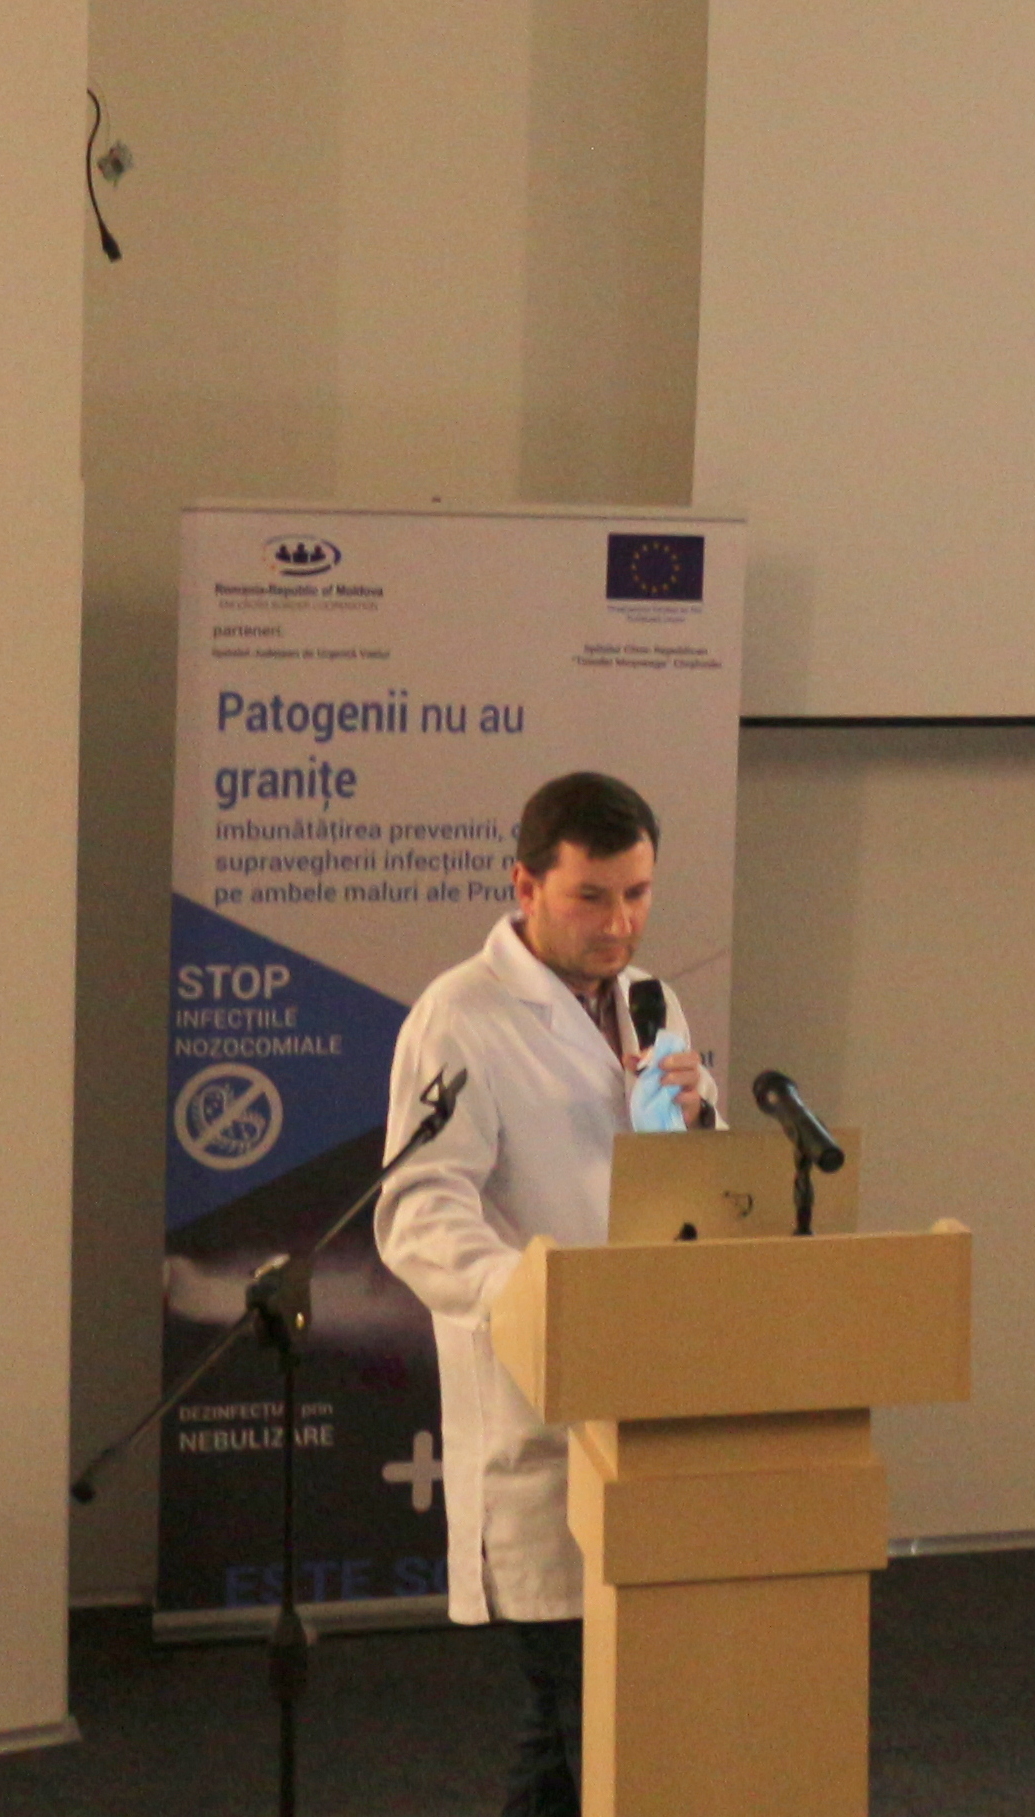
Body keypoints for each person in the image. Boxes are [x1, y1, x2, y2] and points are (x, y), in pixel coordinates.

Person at [375, 775, 718, 1817]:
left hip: (656, 1396)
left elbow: (680, 1189)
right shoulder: (461, 1016)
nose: (620, 925)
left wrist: (701, 1130)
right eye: (591, 898)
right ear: (525, 885)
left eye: (638, 894)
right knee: (580, 1718)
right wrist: (535, 1292)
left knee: (592, 1734)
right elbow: (419, 1212)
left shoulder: (652, 1000)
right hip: (544, 1401)